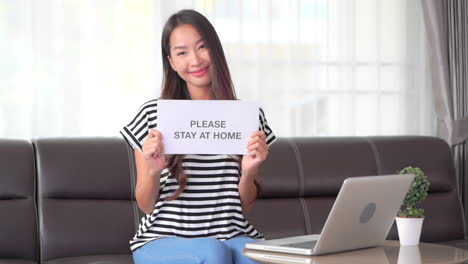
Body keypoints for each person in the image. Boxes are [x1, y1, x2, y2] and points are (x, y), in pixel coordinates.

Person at [120, 9, 276, 264]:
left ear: (216, 50)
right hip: (163, 238)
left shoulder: (247, 116)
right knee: (212, 253)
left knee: (260, 257)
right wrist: (153, 171)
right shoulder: (152, 115)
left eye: (202, 47)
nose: (195, 60)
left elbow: (245, 207)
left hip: (232, 234)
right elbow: (146, 206)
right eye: (182, 52)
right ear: (171, 61)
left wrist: (248, 172)